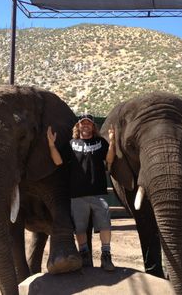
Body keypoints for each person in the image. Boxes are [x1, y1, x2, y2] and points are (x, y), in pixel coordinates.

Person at [47, 114, 116, 271]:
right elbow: (58, 161)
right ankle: (84, 256)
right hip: (77, 195)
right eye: (83, 124)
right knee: (80, 228)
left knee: (105, 225)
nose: (85, 126)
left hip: (98, 193)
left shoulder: (100, 142)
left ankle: (106, 256)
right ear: (78, 126)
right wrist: (51, 145)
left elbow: (109, 160)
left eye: (89, 124)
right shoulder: (71, 144)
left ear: (93, 127)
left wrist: (112, 142)